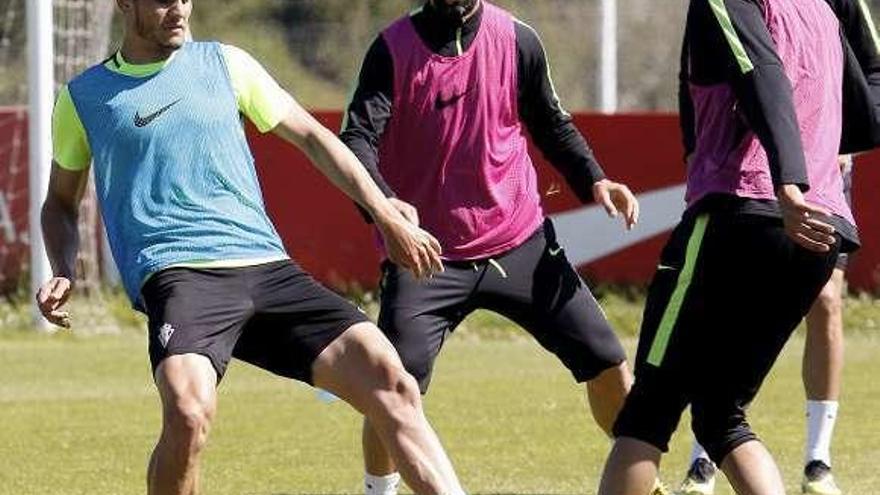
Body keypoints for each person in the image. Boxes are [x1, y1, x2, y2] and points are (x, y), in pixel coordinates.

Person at [37, 1, 466, 494]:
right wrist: (64, 267)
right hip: (180, 276)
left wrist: (386, 213)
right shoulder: (84, 98)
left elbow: (312, 137)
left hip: (268, 269)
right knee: (188, 413)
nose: (178, 7)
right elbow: (60, 204)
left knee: (392, 380)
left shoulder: (227, 64)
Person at [340, 1, 653, 494]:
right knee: (394, 386)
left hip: (520, 240)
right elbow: (356, 138)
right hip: (428, 256)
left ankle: (641, 479)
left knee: (608, 362)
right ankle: (377, 491)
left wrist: (594, 180)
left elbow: (550, 122)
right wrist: (386, 209)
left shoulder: (518, 39)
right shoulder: (391, 49)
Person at [598, 0, 877, 493]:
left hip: (744, 214)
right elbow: (866, 112)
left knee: (648, 411)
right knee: (722, 417)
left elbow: (761, 74)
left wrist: (789, 180)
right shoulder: (821, 9)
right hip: (821, 231)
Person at [677, 159, 853, 495]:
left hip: (821, 176)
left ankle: (818, 461)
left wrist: (842, 144)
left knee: (827, 300)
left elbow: (866, 111)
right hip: (746, 174)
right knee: (732, 300)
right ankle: (704, 459)